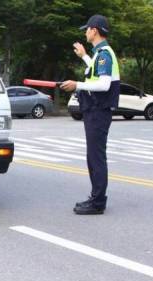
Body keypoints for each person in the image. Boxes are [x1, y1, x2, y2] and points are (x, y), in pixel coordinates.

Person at [60, 14, 120, 215]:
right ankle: (96, 197)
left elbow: (103, 85)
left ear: (94, 30)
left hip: (98, 111)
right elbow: (96, 73)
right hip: (95, 110)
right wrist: (84, 56)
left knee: (96, 157)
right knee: (93, 156)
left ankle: (98, 202)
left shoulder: (104, 54)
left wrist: (77, 84)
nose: (85, 31)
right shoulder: (99, 54)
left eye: (87, 28)